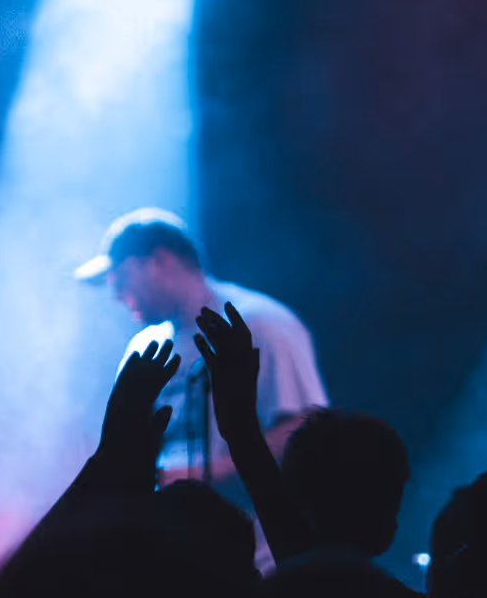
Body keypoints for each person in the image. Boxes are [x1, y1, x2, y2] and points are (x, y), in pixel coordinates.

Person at [76, 207, 327, 573]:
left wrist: (204, 473)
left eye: (120, 277)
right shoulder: (143, 346)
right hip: (173, 556)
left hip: (259, 561)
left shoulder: (261, 323)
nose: (114, 293)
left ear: (159, 260)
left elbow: (307, 427)